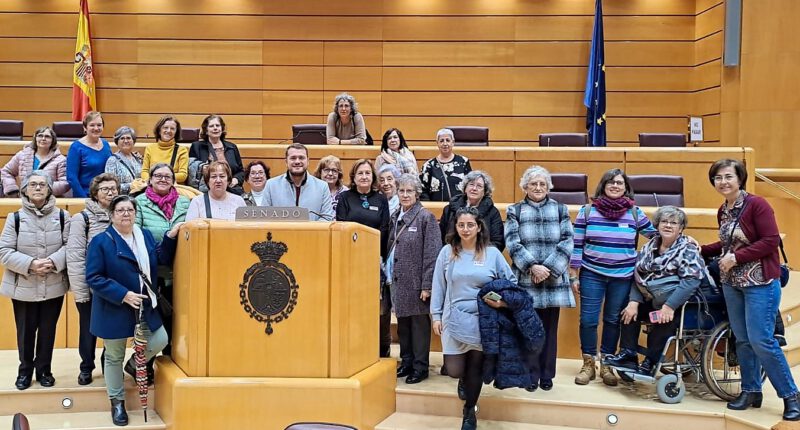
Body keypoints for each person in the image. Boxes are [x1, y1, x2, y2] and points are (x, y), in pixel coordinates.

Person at [700, 159, 799, 420]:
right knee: (742, 340)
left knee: (762, 340)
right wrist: (698, 248)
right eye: (718, 178)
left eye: (728, 177)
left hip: (761, 283)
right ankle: (751, 390)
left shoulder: (757, 205)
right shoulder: (724, 209)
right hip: (732, 283)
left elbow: (770, 241)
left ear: (740, 179)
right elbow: (726, 244)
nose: (723, 182)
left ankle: (791, 395)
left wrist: (737, 258)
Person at [86, 195, 181, 426]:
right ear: (112, 215)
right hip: (115, 306)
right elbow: (94, 277)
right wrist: (123, 294)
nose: (126, 213)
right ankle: (117, 401)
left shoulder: (144, 235)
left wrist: (169, 236)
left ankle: (134, 364)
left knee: (160, 339)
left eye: (129, 209)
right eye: (120, 210)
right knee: (114, 355)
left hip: (144, 304)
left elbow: (159, 258)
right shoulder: (101, 241)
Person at [431, 207, 517, 430]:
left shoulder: (493, 254)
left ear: (479, 227)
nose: (466, 229)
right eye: (461, 225)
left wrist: (502, 303)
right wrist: (436, 316)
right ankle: (464, 378)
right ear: (456, 227)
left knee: (476, 366)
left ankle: (470, 410)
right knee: (455, 370)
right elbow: (438, 286)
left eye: (470, 225)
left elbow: (511, 284)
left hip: (484, 320)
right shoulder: (447, 252)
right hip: (453, 318)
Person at [570, 168, 656, 387]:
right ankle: (588, 363)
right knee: (588, 321)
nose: (615, 186)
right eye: (611, 182)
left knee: (612, 320)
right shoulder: (587, 211)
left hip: (622, 277)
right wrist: (574, 275)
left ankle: (607, 363)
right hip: (592, 274)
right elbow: (577, 245)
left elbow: (657, 236)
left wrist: (684, 239)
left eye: (619, 183)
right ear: (603, 186)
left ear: (626, 187)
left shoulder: (635, 213)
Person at [603, 206, 704, 377]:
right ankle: (628, 354)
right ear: (657, 225)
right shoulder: (649, 246)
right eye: (664, 221)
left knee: (663, 319)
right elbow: (638, 276)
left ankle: (651, 360)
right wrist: (634, 302)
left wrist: (669, 306)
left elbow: (691, 280)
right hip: (651, 297)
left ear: (681, 228)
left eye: (674, 223)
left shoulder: (688, 249)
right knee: (628, 311)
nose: (668, 225)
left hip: (677, 303)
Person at [505, 165, 574, 391]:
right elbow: (513, 244)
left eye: (542, 184)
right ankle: (530, 375)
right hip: (526, 281)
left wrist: (549, 268)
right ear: (525, 186)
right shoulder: (515, 210)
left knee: (549, 331)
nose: (538, 187)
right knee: (528, 330)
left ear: (548, 187)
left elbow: (567, 242)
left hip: (553, 282)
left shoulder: (561, 209)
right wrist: (532, 267)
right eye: (533, 183)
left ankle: (546, 375)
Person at [0, 171, 69, 390]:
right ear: (25, 190)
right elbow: (4, 251)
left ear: (49, 189)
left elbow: (71, 248)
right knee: (25, 332)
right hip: (24, 287)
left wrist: (52, 261)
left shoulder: (62, 216)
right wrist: (31, 264)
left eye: (42, 184)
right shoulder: (15, 218)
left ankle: (44, 370)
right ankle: (25, 372)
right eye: (33, 185)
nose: (38, 188)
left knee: (48, 330)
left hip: (53, 284)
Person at [66, 173, 119, 386]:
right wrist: (81, 291)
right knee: (88, 330)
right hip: (90, 287)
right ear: (95, 194)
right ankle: (86, 367)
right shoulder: (82, 219)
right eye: (105, 189)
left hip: (114, 286)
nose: (110, 192)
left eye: (113, 188)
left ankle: (109, 366)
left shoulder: (122, 215)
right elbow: (75, 256)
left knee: (113, 330)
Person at [389, 174, 441, 384]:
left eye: (409, 191)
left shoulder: (425, 217)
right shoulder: (395, 215)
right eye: (401, 190)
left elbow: (432, 254)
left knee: (419, 327)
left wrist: (427, 285)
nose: (405, 194)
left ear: (417, 194)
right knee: (403, 327)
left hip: (417, 283)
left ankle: (420, 367)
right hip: (398, 281)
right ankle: (407, 362)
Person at [135, 162, 190, 357]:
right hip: (152, 271)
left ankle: (170, 361)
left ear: (174, 181)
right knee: (153, 323)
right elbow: (136, 234)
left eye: (167, 176)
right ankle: (145, 366)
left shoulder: (185, 202)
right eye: (158, 175)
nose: (162, 179)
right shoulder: (139, 202)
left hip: (181, 270)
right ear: (149, 179)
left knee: (175, 321)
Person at [336, 159, 391, 356]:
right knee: (353, 305)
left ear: (373, 177)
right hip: (351, 260)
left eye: (368, 173)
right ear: (354, 177)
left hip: (374, 260)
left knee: (377, 307)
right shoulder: (345, 198)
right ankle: (353, 348)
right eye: (360, 173)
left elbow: (384, 227)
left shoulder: (381, 198)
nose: (364, 177)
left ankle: (380, 349)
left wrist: (373, 250)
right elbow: (341, 225)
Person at [264, 143, 334, 221]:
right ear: (286, 162)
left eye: (301, 158)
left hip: (312, 233)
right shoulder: (271, 185)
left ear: (308, 161)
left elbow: (327, 218)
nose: (297, 161)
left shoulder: (322, 187)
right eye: (293, 158)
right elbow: (264, 217)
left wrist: (305, 231)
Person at [440, 170, 504, 251]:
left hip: (481, 257)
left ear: (485, 192)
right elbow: (440, 238)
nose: (474, 188)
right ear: (465, 189)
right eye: (471, 184)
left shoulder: (493, 212)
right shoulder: (449, 210)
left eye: (479, 186)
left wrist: (476, 252)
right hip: (453, 254)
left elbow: (498, 242)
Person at [1, 126, 69, 197]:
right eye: (40, 136)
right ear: (35, 138)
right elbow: (6, 171)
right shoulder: (23, 155)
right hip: (25, 199)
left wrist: (42, 189)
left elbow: (65, 183)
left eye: (47, 136)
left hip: (50, 200)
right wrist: (12, 190)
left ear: (53, 140)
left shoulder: (61, 160)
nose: (43, 139)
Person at [188, 114, 244, 195]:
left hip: (231, 190)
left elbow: (241, 171)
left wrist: (236, 179)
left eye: (217, 125)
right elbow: (191, 171)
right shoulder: (197, 146)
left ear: (222, 129)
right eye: (211, 126)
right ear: (206, 130)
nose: (215, 128)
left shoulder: (232, 147)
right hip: (206, 191)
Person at [66, 111, 113, 197]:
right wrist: (84, 199)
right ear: (85, 127)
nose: (96, 128)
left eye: (99, 125)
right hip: (86, 195)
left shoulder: (105, 144)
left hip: (106, 195)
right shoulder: (76, 147)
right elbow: (71, 178)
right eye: (92, 125)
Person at [420, 128, 472, 201]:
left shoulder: (463, 162)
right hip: (436, 207)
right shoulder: (429, 165)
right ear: (437, 143)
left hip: (460, 209)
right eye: (441, 141)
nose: (445, 144)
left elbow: (470, 185)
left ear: (453, 142)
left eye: (448, 140)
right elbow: (423, 190)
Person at [141, 115, 189, 184]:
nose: (168, 131)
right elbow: (144, 171)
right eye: (165, 128)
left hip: (174, 187)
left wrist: (161, 178)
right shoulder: (150, 148)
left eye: (172, 128)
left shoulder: (182, 150)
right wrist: (153, 180)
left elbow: (183, 175)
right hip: (152, 185)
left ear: (176, 132)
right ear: (159, 130)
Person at [104, 126, 143, 195]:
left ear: (133, 141)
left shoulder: (138, 159)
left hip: (139, 198)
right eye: (122, 138)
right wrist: (130, 186)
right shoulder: (112, 161)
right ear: (117, 142)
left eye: (128, 138)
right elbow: (110, 186)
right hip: (122, 200)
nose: (125, 141)